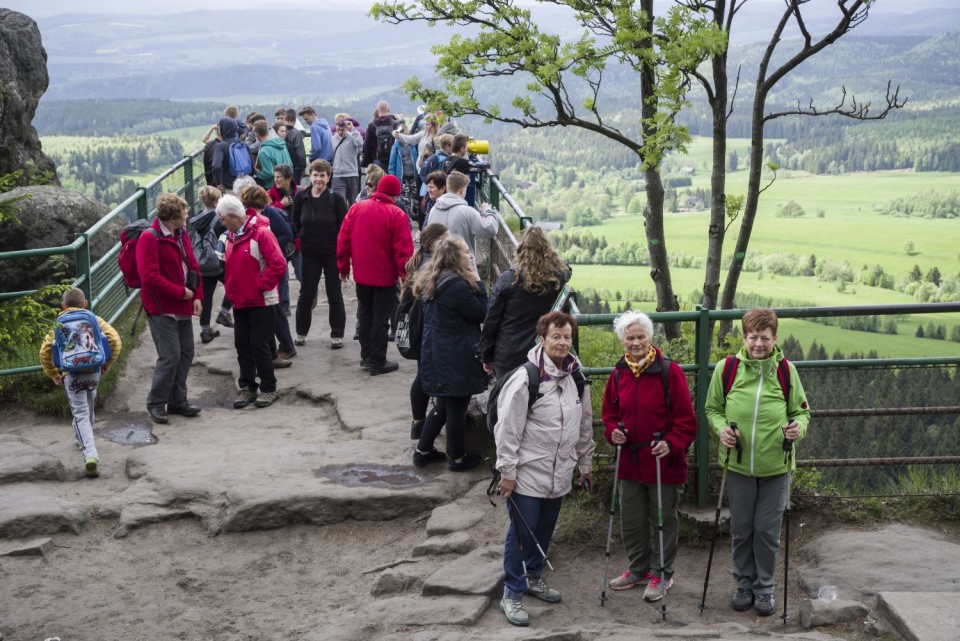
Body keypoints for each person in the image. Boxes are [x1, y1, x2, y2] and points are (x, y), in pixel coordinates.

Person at [705, 307, 810, 616]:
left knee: (766, 530)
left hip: (776, 465)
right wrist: (721, 430)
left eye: (765, 337)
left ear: (774, 338)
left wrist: (798, 428)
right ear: (744, 338)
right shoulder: (726, 369)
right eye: (753, 337)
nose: (758, 344)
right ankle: (743, 584)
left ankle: (764, 588)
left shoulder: (786, 371)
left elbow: (802, 412)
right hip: (737, 465)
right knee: (741, 529)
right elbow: (712, 409)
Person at [493, 311, 594, 627]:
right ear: (542, 339)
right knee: (522, 533)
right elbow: (507, 428)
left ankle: (534, 577)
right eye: (556, 336)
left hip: (560, 471)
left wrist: (585, 464)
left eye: (567, 337)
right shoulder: (527, 378)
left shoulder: (577, 379)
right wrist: (507, 472)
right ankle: (512, 593)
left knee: (545, 529)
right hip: (526, 472)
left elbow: (585, 425)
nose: (562, 342)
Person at [601, 311, 697, 602]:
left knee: (663, 519)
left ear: (650, 338)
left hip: (662, 462)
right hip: (629, 462)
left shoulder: (670, 371)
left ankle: (662, 573)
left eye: (640, 336)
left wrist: (671, 443)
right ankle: (638, 569)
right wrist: (613, 432)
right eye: (629, 337)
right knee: (631, 519)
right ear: (622, 341)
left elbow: (687, 421)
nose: (635, 342)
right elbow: (609, 415)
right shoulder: (618, 373)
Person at [411, 236, 487, 470]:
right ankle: (457, 458)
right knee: (457, 406)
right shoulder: (458, 286)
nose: (470, 255)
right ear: (455, 257)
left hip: (436, 350)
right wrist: (480, 285)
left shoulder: (432, 280)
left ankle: (423, 451)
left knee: (444, 404)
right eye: (466, 251)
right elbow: (481, 313)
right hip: (456, 352)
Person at [39, 287, 122, 478]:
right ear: (85, 303)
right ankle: (82, 439)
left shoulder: (58, 324)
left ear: (63, 305)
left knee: (80, 415)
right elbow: (115, 340)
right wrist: (106, 364)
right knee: (89, 407)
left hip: (72, 374)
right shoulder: (94, 318)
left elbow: (44, 352)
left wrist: (54, 374)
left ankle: (90, 455)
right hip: (93, 372)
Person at [136, 193, 203, 425]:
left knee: (186, 353)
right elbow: (149, 277)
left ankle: (177, 400)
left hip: (183, 303)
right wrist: (179, 292)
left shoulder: (181, 233)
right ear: (172, 217)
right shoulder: (149, 238)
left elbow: (192, 265)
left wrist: (198, 296)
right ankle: (156, 403)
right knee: (170, 355)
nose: (187, 216)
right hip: (161, 306)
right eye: (184, 213)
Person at [337, 174, 414, 376]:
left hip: (362, 274)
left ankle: (366, 356)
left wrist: (343, 267)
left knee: (365, 314)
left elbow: (343, 239)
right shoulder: (396, 214)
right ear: (395, 194)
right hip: (384, 276)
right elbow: (403, 250)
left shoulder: (357, 208)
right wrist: (406, 277)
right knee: (381, 318)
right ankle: (378, 361)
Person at [217, 194, 287, 409]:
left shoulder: (262, 234)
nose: (221, 223)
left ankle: (268, 388)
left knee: (260, 345)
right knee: (242, 345)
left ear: (232, 216)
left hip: (261, 302)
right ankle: (247, 387)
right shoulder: (230, 236)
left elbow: (278, 263)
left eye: (222, 219)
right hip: (240, 301)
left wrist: (261, 286)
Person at [481, 227, 570, 379]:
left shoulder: (508, 280)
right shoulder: (556, 279)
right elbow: (567, 271)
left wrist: (487, 356)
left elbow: (491, 321)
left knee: (508, 393)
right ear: (548, 251)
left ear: (520, 250)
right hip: (540, 353)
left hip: (508, 354)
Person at [238, 184, 297, 365]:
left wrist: (265, 245)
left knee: (275, 308)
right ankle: (279, 347)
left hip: (271, 265)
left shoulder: (269, 213)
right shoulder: (258, 215)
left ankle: (287, 346)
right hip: (263, 265)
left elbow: (287, 234)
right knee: (272, 309)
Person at [293, 159, 348, 349]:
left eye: (322, 176)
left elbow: (344, 227)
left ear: (328, 177)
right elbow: (295, 222)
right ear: (310, 176)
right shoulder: (301, 197)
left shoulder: (336, 199)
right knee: (306, 293)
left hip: (331, 253)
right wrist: (301, 241)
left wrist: (344, 254)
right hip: (309, 253)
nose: (319, 179)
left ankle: (337, 334)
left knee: (334, 293)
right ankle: (301, 333)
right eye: (315, 175)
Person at [401, 223, 449, 441]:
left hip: (419, 324)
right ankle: (422, 427)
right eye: (445, 238)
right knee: (425, 375)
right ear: (433, 243)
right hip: (426, 327)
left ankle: (418, 423)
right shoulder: (431, 266)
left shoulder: (421, 260)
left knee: (422, 374)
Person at [189, 185, 232, 344]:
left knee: (206, 296)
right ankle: (224, 312)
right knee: (236, 284)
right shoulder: (219, 219)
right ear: (215, 203)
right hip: (218, 262)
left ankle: (205, 331)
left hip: (202, 262)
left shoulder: (197, 218)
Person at [427, 171, 498, 265]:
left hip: (438, 264)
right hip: (462, 266)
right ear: (461, 190)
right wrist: (487, 211)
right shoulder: (468, 212)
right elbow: (490, 229)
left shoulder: (434, 210)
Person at [330, 114, 364, 205]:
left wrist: (353, 129)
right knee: (339, 201)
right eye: (338, 130)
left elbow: (360, 144)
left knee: (353, 201)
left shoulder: (352, 137)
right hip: (337, 174)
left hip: (351, 173)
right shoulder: (333, 139)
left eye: (342, 130)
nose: (340, 132)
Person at [253, 120, 293, 189]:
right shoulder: (282, 144)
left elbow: (268, 173)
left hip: (273, 186)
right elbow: (290, 164)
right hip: (286, 183)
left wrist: (257, 173)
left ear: (256, 134)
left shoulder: (264, 151)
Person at [362, 100, 397, 169]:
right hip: (393, 159)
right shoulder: (395, 124)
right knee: (392, 176)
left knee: (378, 176)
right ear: (388, 110)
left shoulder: (372, 125)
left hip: (377, 159)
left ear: (377, 110)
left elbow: (367, 145)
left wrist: (366, 162)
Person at [284, 108, 307, 184]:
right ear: (294, 120)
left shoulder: (280, 132)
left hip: (283, 166)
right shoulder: (297, 133)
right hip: (295, 168)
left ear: (285, 119)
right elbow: (300, 154)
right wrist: (303, 168)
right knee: (294, 187)